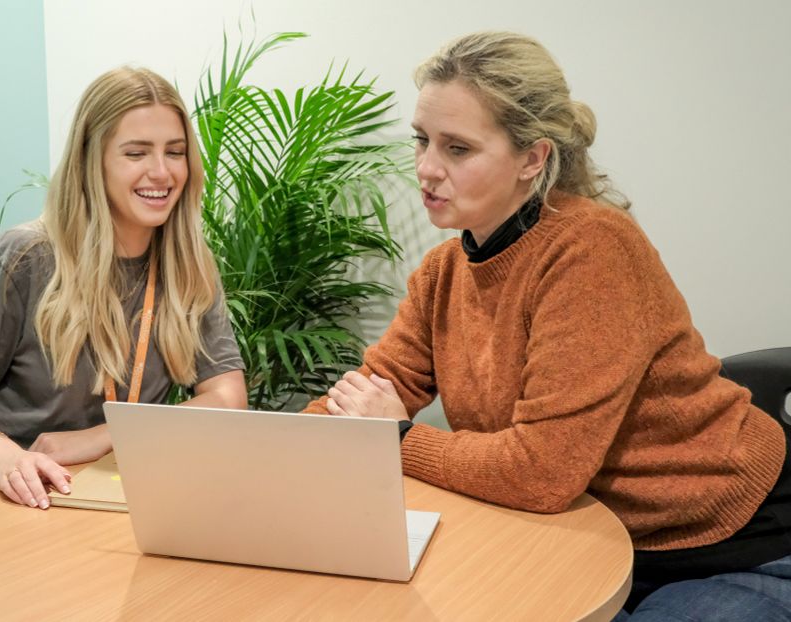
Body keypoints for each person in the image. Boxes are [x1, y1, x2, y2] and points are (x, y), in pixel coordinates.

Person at [304, 32, 791, 619]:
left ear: (532, 159)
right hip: (581, 538)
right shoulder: (443, 272)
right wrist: (282, 453)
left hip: (727, 539)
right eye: (422, 141)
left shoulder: (591, 251)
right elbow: (364, 396)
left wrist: (396, 436)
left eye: (457, 148)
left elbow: (540, 473)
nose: (427, 169)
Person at [0, 66, 247, 621]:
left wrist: (98, 437)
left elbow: (228, 397)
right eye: (136, 152)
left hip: (101, 501)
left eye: (175, 151)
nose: (161, 172)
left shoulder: (186, 263)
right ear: (94, 161)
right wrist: (3, 458)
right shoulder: (22, 260)